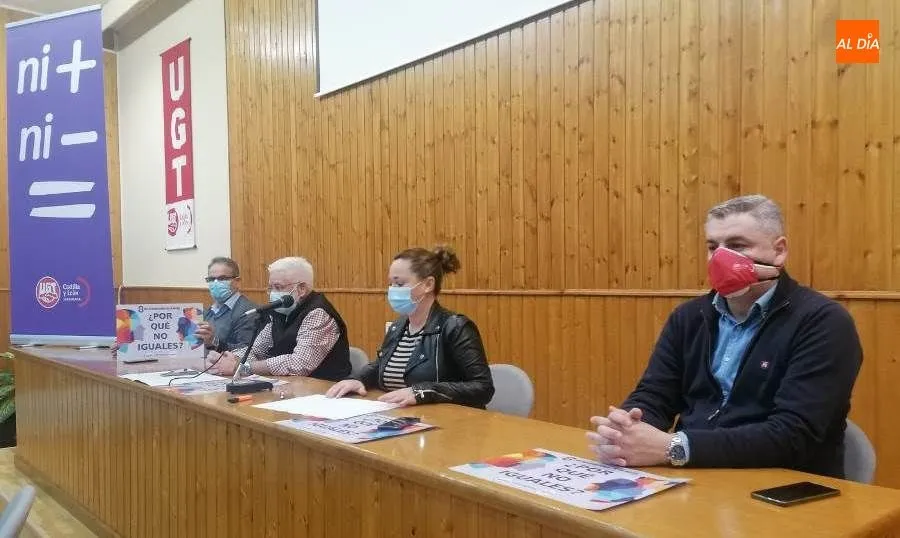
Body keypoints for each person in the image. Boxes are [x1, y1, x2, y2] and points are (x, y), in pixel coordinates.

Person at [587, 195, 862, 479]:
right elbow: (656, 395)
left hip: (781, 488)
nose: (720, 257)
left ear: (778, 251)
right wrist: (625, 431)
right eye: (712, 247)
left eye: (737, 246)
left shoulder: (823, 322)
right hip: (698, 479)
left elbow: (793, 435)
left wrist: (676, 447)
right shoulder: (689, 318)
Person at [326, 245, 495, 408]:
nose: (392, 290)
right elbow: (380, 365)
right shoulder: (398, 326)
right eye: (391, 284)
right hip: (400, 420)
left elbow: (482, 387)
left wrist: (424, 392)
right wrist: (358, 379)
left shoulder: (455, 327)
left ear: (428, 284)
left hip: (446, 425)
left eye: (399, 284)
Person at [208, 256, 351, 380]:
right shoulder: (280, 310)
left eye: (278, 287)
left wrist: (242, 367)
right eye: (270, 288)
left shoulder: (318, 313)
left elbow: (299, 364)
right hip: (290, 387)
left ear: (301, 289)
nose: (272, 294)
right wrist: (228, 359)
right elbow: (257, 350)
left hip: (323, 391)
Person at [195, 257, 258, 352]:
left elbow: (246, 352)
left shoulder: (249, 312)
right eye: (211, 279)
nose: (215, 283)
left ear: (237, 282)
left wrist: (214, 341)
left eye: (222, 278)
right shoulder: (209, 310)